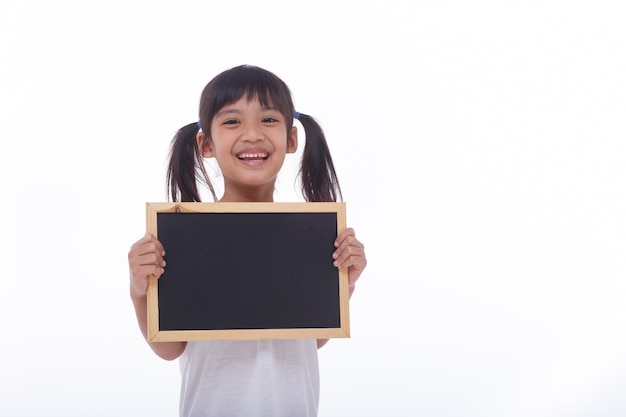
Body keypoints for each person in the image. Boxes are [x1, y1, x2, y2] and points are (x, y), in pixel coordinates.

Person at [127, 64, 367, 417]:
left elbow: (311, 338)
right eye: (232, 121)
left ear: (291, 139)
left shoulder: (313, 233)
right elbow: (169, 348)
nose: (252, 134)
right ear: (205, 143)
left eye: (268, 119)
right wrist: (139, 289)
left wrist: (342, 285)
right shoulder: (183, 236)